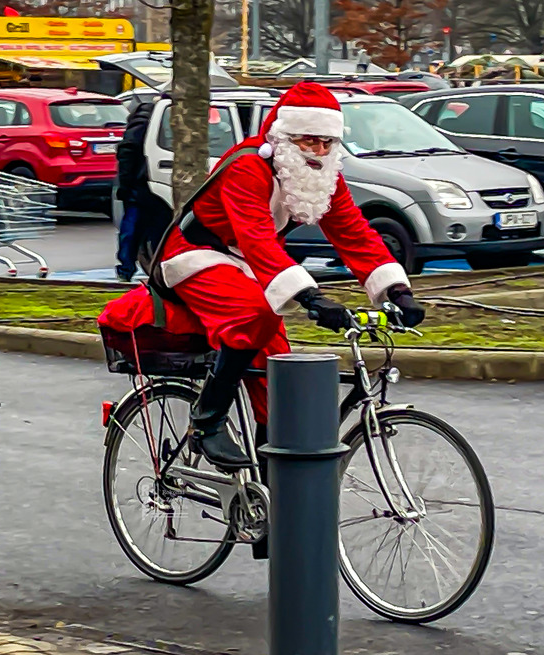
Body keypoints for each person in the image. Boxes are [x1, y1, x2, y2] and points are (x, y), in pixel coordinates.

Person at [153, 82, 426, 472]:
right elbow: (258, 240)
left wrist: (396, 290)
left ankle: (271, 492)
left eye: (327, 143)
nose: (318, 152)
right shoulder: (248, 166)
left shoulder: (322, 176)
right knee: (255, 313)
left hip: (245, 261)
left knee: (275, 372)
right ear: (283, 137)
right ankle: (207, 420)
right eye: (308, 141)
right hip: (195, 256)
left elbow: (353, 231)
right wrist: (310, 297)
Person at [115, 98, 171, 282]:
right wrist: (126, 184)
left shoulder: (146, 117)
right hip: (144, 184)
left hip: (141, 183)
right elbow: (128, 151)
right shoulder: (151, 118)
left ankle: (128, 268)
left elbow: (127, 151)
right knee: (152, 228)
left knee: (134, 229)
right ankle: (144, 267)